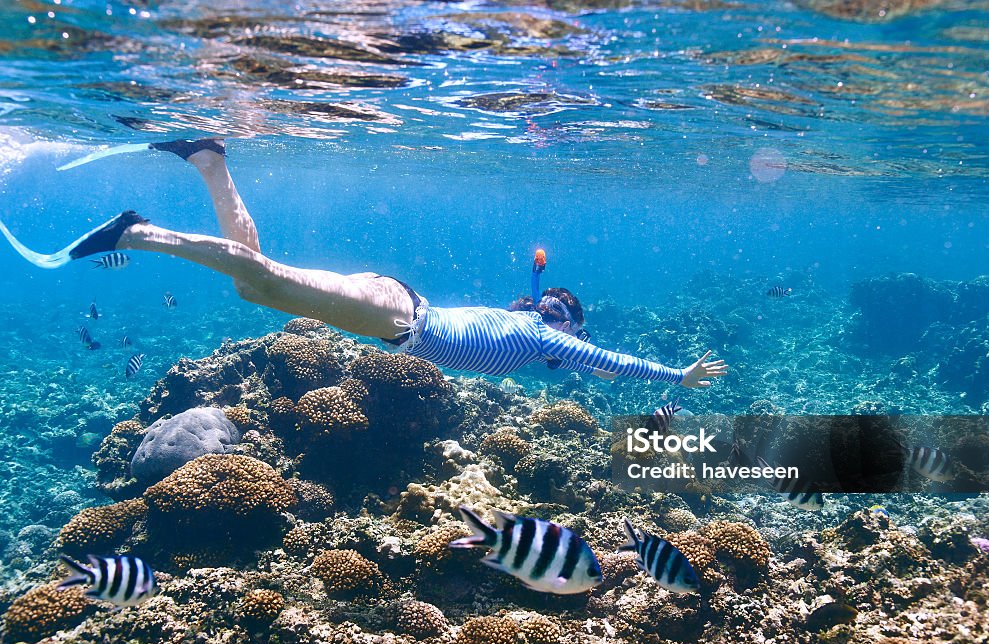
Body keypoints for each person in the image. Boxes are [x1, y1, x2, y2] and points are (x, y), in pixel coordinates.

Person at [0, 139, 728, 387]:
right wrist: (679, 376)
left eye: (561, 316)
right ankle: (139, 232)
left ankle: (210, 162)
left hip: (397, 310)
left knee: (257, 284)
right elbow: (609, 361)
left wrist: (545, 297)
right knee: (268, 280)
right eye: (559, 313)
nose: (556, 319)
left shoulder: (534, 332)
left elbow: (573, 344)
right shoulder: (542, 335)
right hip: (399, 316)